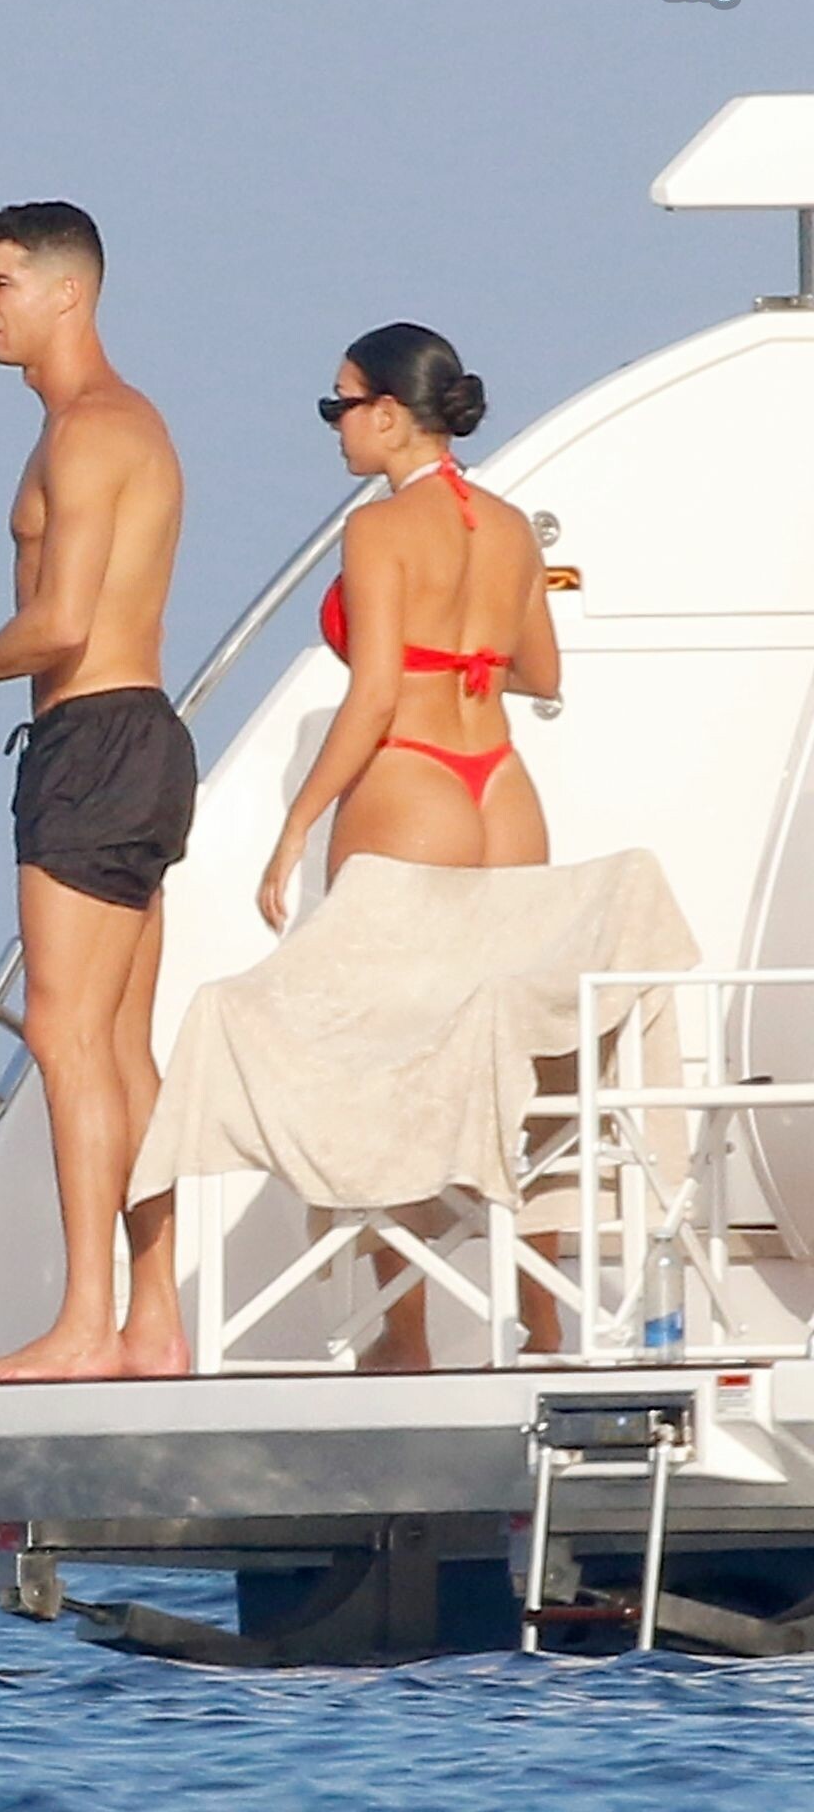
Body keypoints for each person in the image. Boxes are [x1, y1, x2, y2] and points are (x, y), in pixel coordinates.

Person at [0, 201, 196, 1382]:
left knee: (66, 1032)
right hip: (139, 739)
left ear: (66, 292)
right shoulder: (121, 422)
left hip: (93, 740)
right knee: (119, 1045)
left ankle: (86, 1324)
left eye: (1, 283)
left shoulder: (89, 431)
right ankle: (152, 1324)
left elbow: (61, 621)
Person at [257, 321, 561, 1370]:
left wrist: (297, 822)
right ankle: (546, 1323)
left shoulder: (379, 529)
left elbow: (374, 694)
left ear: (388, 414)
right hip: (501, 783)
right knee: (519, 1068)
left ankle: (405, 1336)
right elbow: (541, 672)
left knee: (380, 1063)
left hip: (414, 776)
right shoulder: (510, 525)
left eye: (337, 405)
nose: (333, 425)